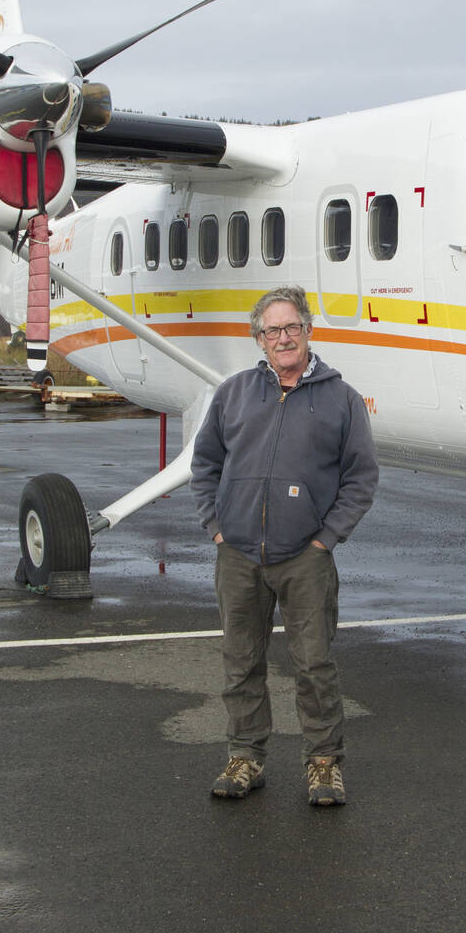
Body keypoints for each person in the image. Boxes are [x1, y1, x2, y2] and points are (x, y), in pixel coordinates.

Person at [191, 285, 379, 807]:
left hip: (305, 557)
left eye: (291, 327)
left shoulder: (340, 399)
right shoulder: (234, 393)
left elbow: (360, 478)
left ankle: (323, 765)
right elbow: (204, 464)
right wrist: (216, 525)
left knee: (314, 665)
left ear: (308, 330)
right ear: (259, 339)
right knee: (240, 660)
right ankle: (245, 757)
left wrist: (325, 538)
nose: (282, 338)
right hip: (239, 553)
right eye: (271, 331)